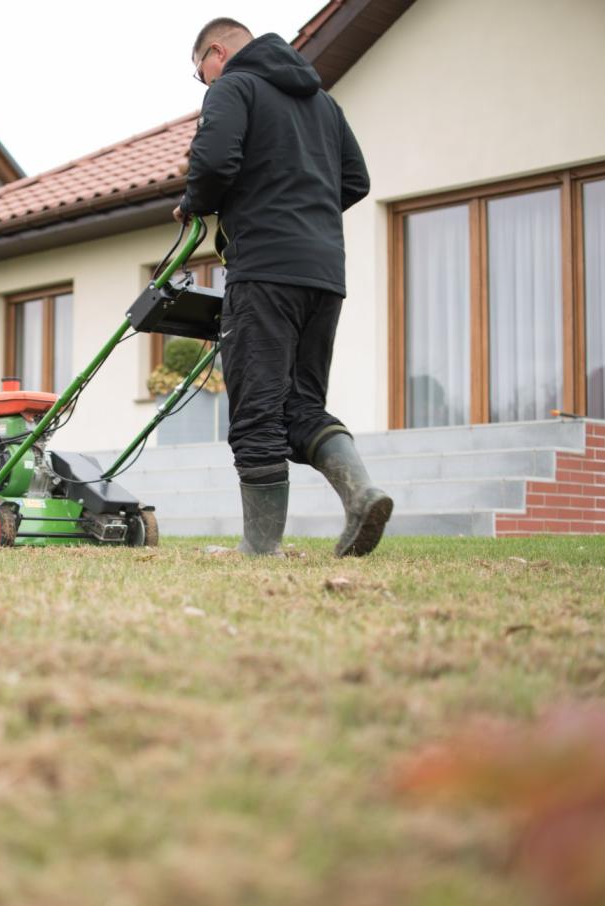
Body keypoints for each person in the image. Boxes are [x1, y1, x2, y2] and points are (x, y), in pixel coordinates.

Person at [173, 18, 391, 557]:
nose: (203, 83)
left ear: (216, 53)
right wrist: (303, 212)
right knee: (300, 408)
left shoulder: (234, 87)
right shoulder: (323, 104)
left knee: (256, 410)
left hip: (265, 272)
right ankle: (362, 493)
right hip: (323, 275)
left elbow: (216, 159)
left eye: (198, 72)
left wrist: (195, 203)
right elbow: (356, 181)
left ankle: (260, 546)